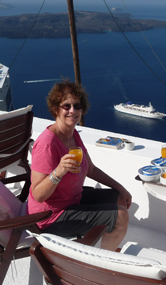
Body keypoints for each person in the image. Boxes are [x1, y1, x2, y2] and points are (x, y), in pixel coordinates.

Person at [27, 79, 132, 251]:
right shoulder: (48, 144)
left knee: (120, 199)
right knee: (120, 216)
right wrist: (58, 172)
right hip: (51, 217)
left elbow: (90, 169)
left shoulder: (72, 134)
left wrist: (120, 188)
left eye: (77, 106)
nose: (72, 111)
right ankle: (102, 262)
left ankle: (107, 248)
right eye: (66, 106)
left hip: (72, 200)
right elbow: (38, 195)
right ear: (55, 109)